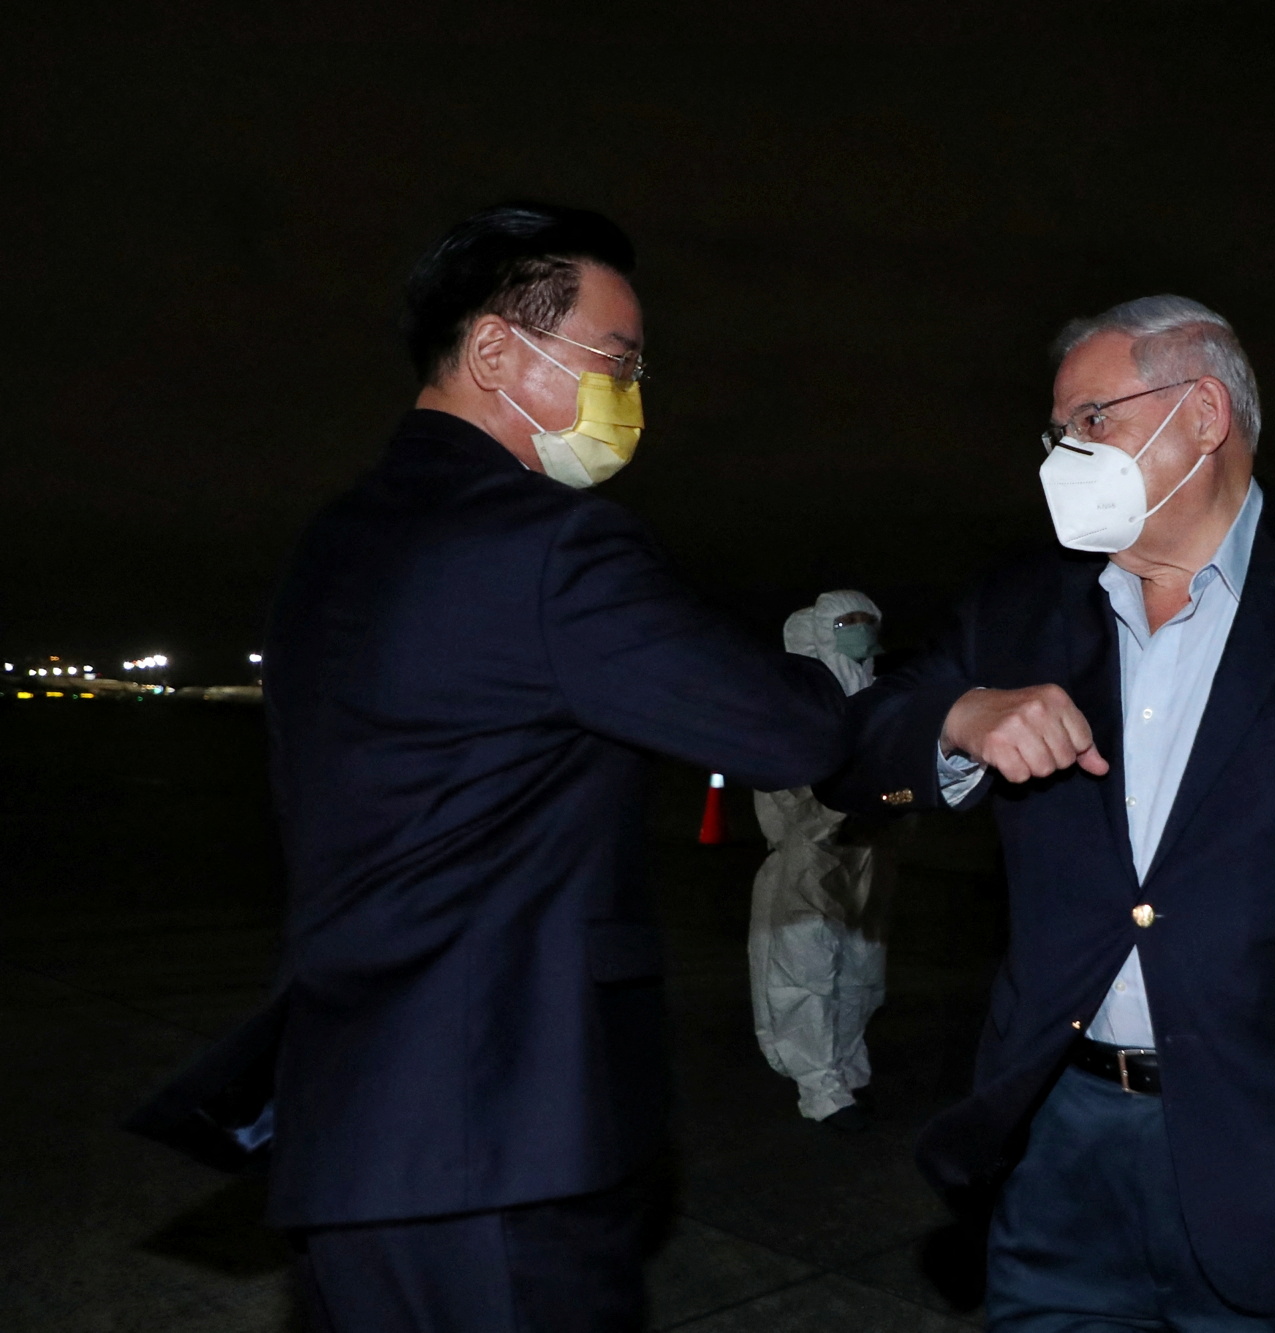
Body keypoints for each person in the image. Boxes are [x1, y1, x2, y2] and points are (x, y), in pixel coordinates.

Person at [134, 203, 849, 1331]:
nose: (631, 392)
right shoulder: (546, 544)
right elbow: (789, 733)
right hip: (498, 1140)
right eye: (617, 359)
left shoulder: (335, 543)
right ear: (495, 352)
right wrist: (921, 696)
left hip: (354, 1125)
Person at [821, 296, 1275, 1330]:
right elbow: (848, 750)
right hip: (1065, 1156)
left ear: (1204, 414)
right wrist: (957, 717)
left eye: (1092, 419)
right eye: (1056, 431)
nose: (1064, 454)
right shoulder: (1019, 608)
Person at [750, 591, 897, 1130]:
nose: (860, 631)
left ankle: (848, 1070)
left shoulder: (874, 696)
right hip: (809, 852)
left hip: (866, 852)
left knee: (861, 970)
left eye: (867, 621)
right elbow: (790, 785)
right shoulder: (796, 701)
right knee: (803, 973)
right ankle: (820, 1090)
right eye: (846, 623)